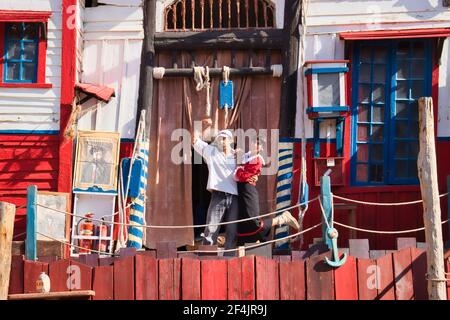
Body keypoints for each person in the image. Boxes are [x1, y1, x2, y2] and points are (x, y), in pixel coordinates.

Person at [192, 127, 255, 252]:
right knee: (211, 227)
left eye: (224, 139)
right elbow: (194, 140)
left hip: (235, 196)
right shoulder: (211, 152)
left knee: (232, 229)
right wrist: (201, 126)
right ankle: (207, 255)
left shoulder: (238, 155)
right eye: (219, 139)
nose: (222, 141)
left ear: (230, 140)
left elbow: (252, 167)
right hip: (218, 195)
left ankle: (229, 257)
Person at [234, 136, 300, 244]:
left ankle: (282, 219)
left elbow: (244, 176)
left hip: (248, 190)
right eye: (255, 142)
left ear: (261, 148)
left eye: (259, 144)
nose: (256, 145)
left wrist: (239, 169)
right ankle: (251, 245)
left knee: (253, 222)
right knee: (244, 224)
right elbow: (241, 172)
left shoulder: (257, 160)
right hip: (242, 191)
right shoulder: (246, 157)